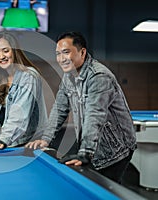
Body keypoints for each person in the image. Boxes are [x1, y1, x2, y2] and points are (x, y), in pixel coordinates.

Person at [26, 31, 136, 184]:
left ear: (82, 52)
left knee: (103, 191)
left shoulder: (99, 76)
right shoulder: (68, 76)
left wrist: (85, 152)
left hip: (116, 148)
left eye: (65, 52)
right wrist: (46, 139)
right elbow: (59, 109)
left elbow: (94, 114)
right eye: (58, 54)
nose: (61, 59)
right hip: (93, 147)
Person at [0, 32, 47, 150]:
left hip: (30, 146)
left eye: (5, 51)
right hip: (8, 145)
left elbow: (20, 113)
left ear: (15, 51)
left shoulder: (28, 76)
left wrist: (4, 139)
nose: (1, 56)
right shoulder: (0, 79)